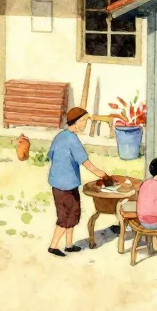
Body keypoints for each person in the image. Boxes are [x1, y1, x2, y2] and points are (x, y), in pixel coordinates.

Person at [46, 107, 110, 257]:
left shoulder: (60, 136)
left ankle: (69, 245)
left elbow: (51, 155)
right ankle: (53, 246)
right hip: (65, 186)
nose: (85, 124)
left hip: (62, 183)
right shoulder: (72, 140)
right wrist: (101, 173)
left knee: (73, 214)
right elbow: (85, 162)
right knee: (65, 216)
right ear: (77, 121)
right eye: (84, 121)